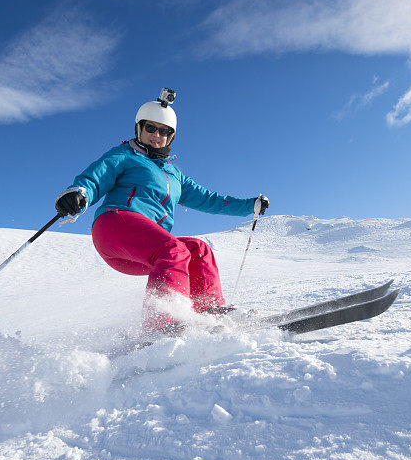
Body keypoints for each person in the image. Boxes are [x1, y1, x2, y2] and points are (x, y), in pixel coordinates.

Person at [55, 91, 268, 333]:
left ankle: (207, 311)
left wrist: (250, 206)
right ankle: (162, 323)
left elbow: (210, 199)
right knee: (174, 249)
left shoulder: (175, 175)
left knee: (197, 250)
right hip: (114, 226)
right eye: (150, 128)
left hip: (146, 248)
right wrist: (79, 193)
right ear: (138, 129)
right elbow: (96, 177)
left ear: (171, 137)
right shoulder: (124, 155)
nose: (157, 135)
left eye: (164, 131)